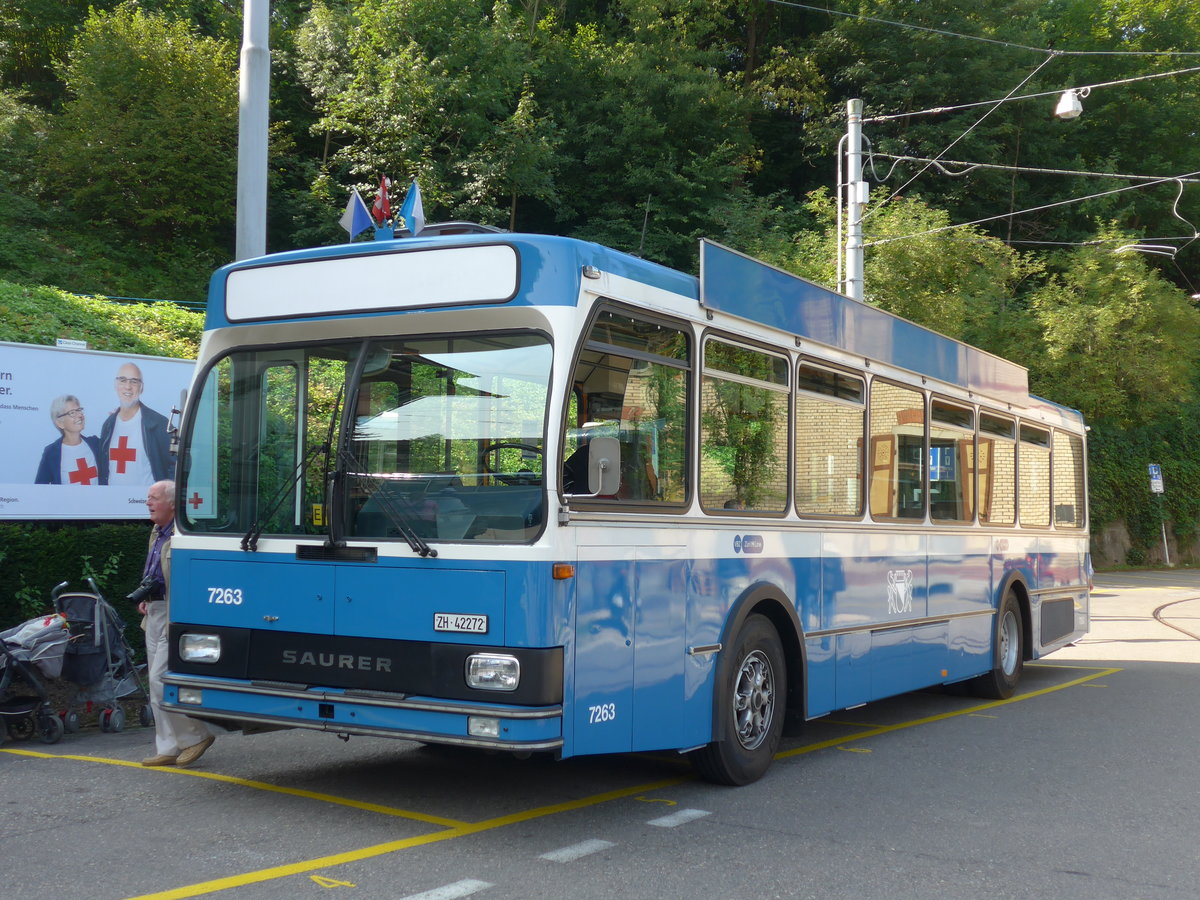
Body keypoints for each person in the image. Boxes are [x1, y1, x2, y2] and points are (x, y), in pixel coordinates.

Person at [139, 479, 215, 767]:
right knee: (153, 680)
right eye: (148, 497)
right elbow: (153, 568)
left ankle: (195, 736)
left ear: (172, 503)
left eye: (153, 497)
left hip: (175, 613)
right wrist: (145, 595)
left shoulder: (185, 535)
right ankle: (168, 746)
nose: (148, 502)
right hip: (155, 612)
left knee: (161, 680)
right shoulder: (156, 532)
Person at [99, 362, 174, 486]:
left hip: (146, 502)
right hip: (112, 500)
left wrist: (166, 493)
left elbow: (178, 463)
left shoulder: (159, 423)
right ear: (116, 385)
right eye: (123, 380)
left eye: (134, 381)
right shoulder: (108, 425)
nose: (128, 387)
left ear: (141, 387)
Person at [34, 395, 108, 485]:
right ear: (60, 423)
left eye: (79, 410)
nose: (80, 415)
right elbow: (40, 487)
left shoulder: (95, 444)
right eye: (72, 413)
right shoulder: (51, 452)